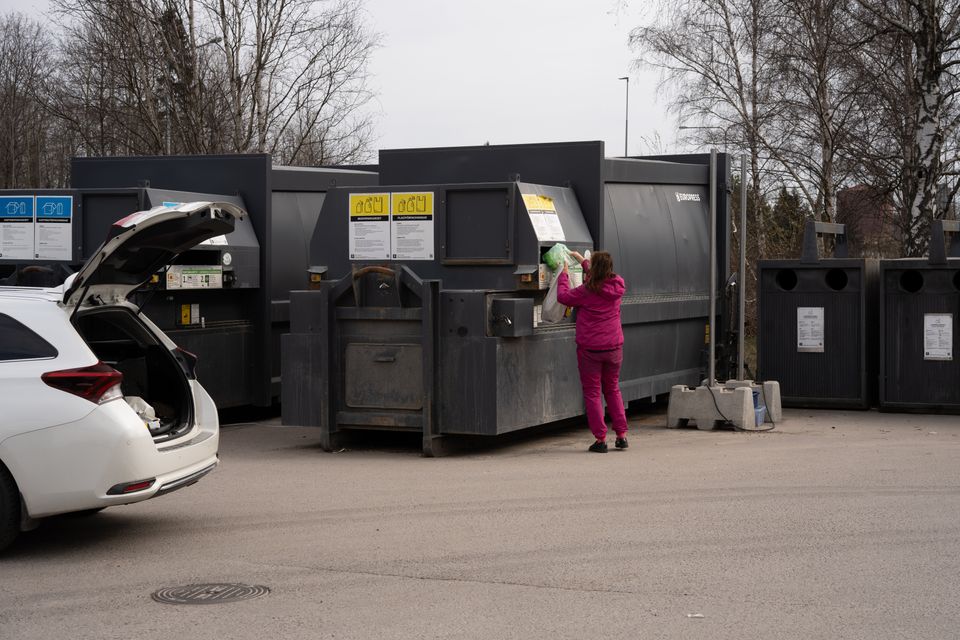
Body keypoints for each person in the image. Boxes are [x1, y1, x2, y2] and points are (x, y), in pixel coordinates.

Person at [556, 250, 628, 453]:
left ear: (594, 270)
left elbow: (563, 297)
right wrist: (583, 261)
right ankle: (621, 436)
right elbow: (601, 279)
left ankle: (600, 439)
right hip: (614, 348)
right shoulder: (618, 285)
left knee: (593, 392)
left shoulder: (586, 291)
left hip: (591, 350)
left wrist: (563, 275)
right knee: (612, 389)